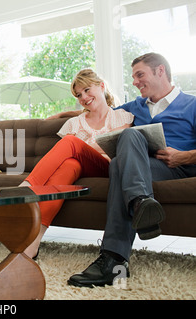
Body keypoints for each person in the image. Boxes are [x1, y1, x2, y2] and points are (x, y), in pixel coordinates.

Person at [68, 53, 196, 287]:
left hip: (179, 168)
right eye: (133, 77)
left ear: (160, 71)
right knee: (123, 149)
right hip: (146, 166)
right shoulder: (135, 106)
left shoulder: (192, 104)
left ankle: (113, 258)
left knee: (119, 163)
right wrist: (60, 116)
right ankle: (140, 203)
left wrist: (185, 156)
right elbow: (99, 109)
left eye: (140, 75)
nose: (135, 82)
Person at [21, 69, 134, 259]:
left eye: (87, 90)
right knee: (70, 165)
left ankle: (28, 187)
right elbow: (68, 156)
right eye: (79, 95)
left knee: (70, 144)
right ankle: (35, 240)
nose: (84, 97)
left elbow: (116, 148)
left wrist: (84, 147)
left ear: (102, 86)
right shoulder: (74, 122)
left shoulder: (121, 116)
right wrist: (85, 147)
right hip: (79, 169)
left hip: (106, 167)